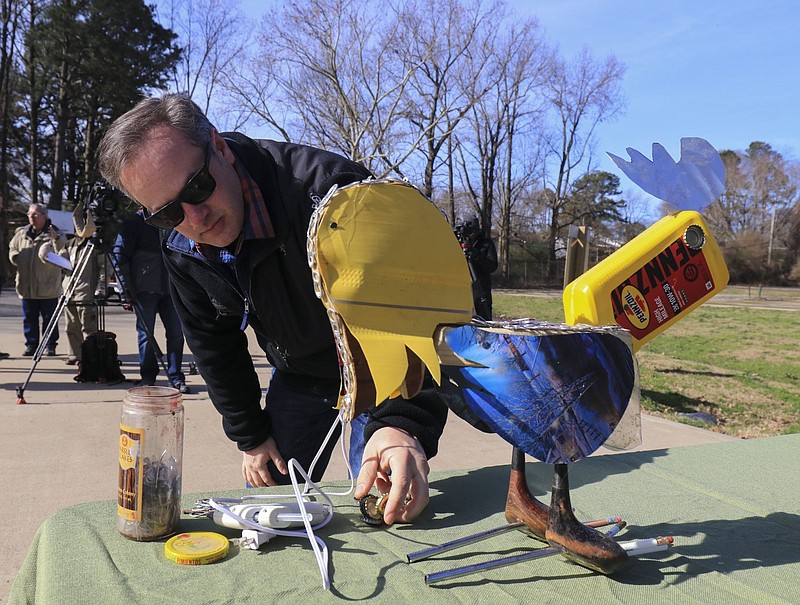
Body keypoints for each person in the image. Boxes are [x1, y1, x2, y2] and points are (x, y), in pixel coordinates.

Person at [97, 93, 449, 525]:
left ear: (219, 147)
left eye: (197, 187)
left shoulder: (334, 197)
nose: (196, 218)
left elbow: (415, 315)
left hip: (377, 371)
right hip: (301, 371)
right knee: (267, 510)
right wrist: (250, 433)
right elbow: (213, 343)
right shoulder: (180, 242)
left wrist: (404, 424)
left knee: (387, 506)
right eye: (168, 212)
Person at [113, 209, 189, 393]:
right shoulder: (134, 223)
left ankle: (176, 376)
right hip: (144, 290)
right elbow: (119, 256)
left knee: (177, 334)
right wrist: (126, 289)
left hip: (171, 289)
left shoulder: (173, 218)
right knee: (146, 335)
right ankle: (148, 376)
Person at [39, 208, 106, 365]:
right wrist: (47, 254)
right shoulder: (70, 243)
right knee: (71, 327)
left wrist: (101, 287)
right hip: (69, 290)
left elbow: (104, 267)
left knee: (89, 327)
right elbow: (62, 262)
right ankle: (75, 355)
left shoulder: (96, 245)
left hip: (87, 291)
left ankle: (91, 357)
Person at [8, 203, 66, 356]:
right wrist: (15, 257)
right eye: (29, 214)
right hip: (26, 285)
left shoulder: (54, 232)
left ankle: (50, 345)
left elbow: (63, 250)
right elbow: (12, 247)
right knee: (29, 319)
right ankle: (31, 345)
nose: (31, 217)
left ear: (44, 216)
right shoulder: (21, 233)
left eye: (35, 214)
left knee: (49, 319)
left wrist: (56, 238)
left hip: (47, 286)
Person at [459, 216, 498, 320]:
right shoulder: (458, 244)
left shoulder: (486, 244)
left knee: (484, 319)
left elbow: (492, 266)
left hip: (481, 288)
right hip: (463, 288)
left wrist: (476, 254)